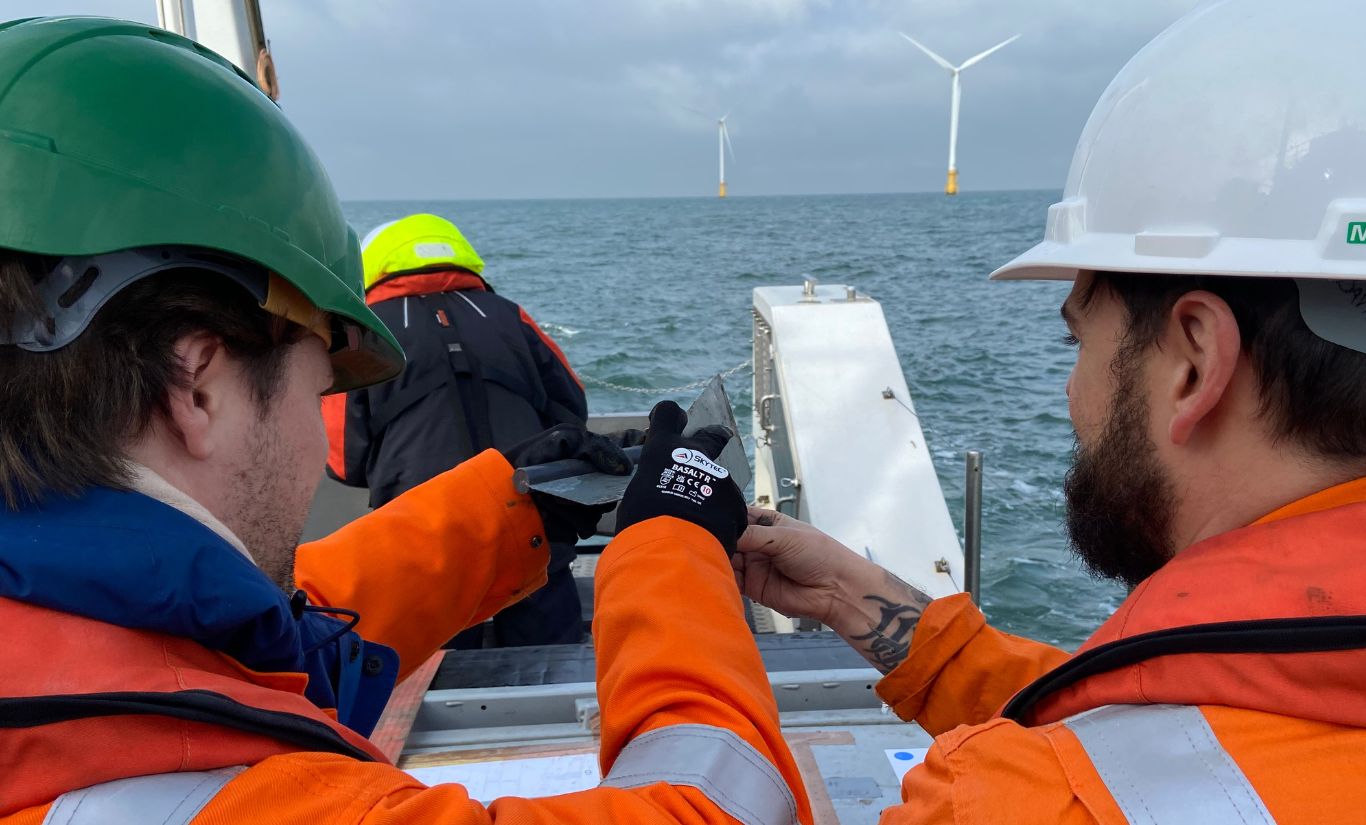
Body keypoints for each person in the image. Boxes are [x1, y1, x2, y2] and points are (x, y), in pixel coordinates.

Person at [0, 18, 809, 825]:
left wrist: (515, 509)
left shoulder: (59, 636)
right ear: (197, 386)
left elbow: (271, 636)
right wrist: (671, 543)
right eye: (320, 382)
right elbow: (724, 805)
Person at [732, 0, 1366, 821]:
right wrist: (861, 599)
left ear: (1195, 362)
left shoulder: (1013, 803)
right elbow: (1213, 722)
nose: (1071, 393)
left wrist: (662, 573)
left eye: (1078, 343)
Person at [323, 213, 593, 647]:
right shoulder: (510, 316)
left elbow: (340, 455)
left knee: (433, 658)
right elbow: (572, 407)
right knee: (547, 653)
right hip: (531, 513)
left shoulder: (364, 330)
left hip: (423, 531)